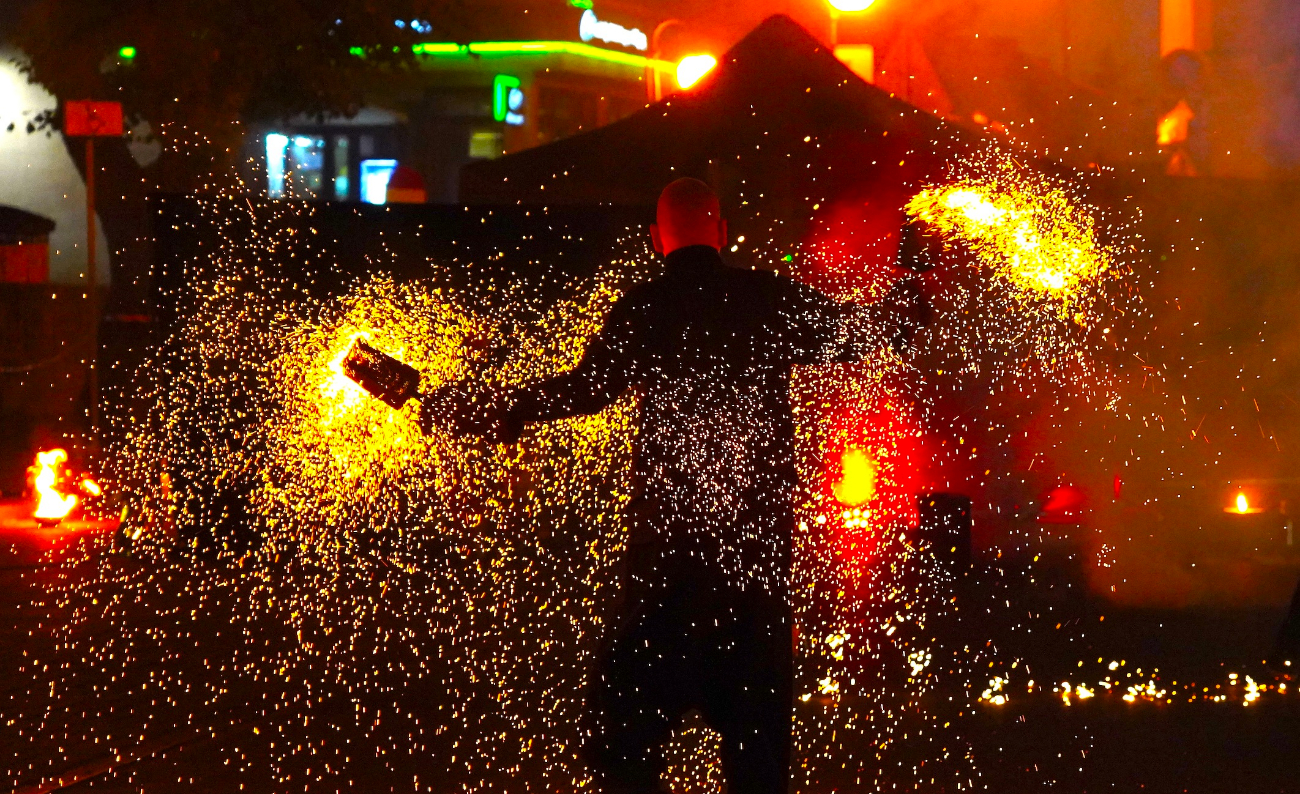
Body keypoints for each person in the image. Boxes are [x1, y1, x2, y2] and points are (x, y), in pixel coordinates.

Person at [430, 178, 926, 794]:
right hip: (753, 578)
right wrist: (915, 267)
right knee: (758, 764)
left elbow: (577, 393)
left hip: (663, 573)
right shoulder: (765, 300)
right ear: (720, 233)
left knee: (621, 749)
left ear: (655, 240)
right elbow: (877, 335)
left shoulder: (644, 310)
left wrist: (482, 410)